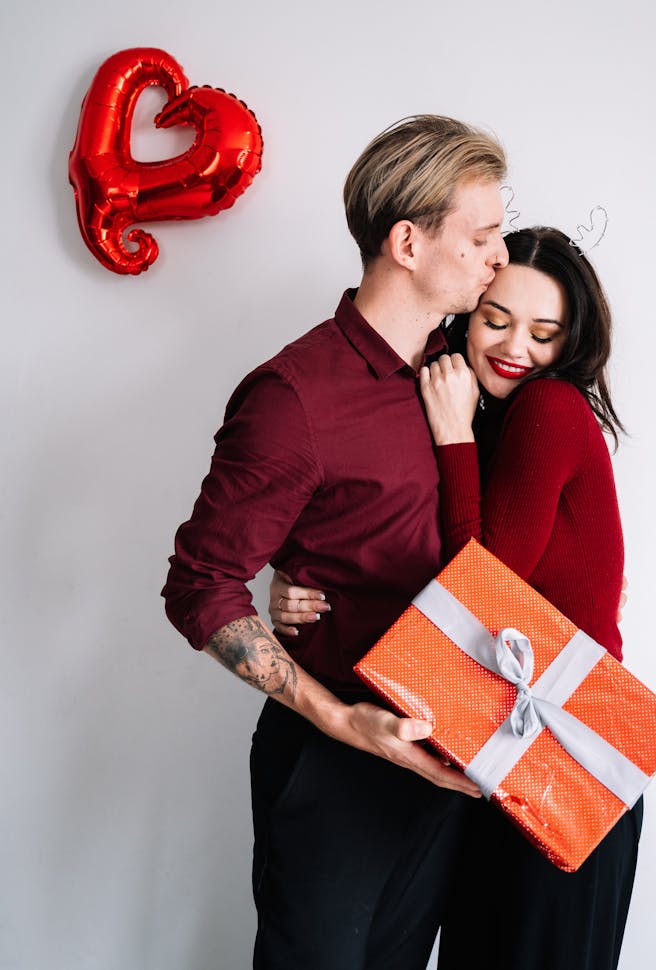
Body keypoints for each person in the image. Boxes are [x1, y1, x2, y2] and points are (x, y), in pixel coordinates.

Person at [161, 114, 509, 970]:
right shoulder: (294, 400)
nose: (499, 255)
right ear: (407, 243)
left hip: (444, 758)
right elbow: (199, 586)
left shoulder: (461, 367)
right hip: (336, 760)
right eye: (483, 235)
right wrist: (347, 723)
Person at [272, 226, 641, 970]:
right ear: (468, 310)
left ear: (570, 343)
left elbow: (483, 586)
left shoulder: (548, 409)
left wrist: (452, 436)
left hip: (565, 756)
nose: (515, 348)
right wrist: (293, 578)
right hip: (497, 752)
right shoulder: (481, 411)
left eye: (545, 332)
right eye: (496, 319)